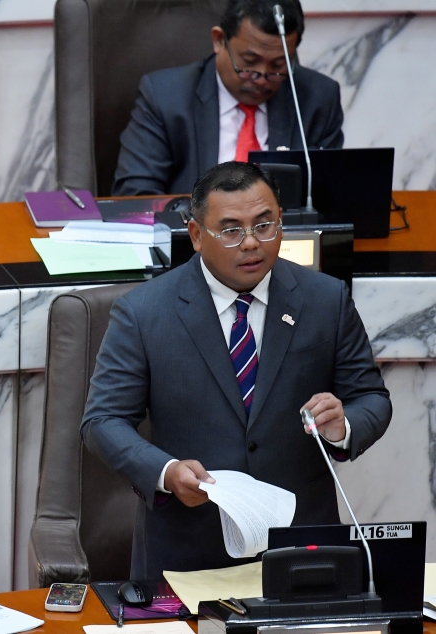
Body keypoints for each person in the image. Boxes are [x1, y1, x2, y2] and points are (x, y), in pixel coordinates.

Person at [81, 162, 390, 579]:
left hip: (301, 545)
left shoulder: (325, 299)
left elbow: (372, 398)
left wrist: (344, 426)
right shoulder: (144, 313)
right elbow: (103, 420)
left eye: (265, 225)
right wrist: (166, 472)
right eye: (230, 230)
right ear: (195, 235)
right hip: (188, 551)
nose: (251, 243)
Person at [112, 0, 344, 196]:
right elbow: (137, 196)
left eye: (278, 65)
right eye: (249, 62)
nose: (262, 78)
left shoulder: (317, 99)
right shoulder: (165, 96)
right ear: (219, 40)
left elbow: (329, 197)